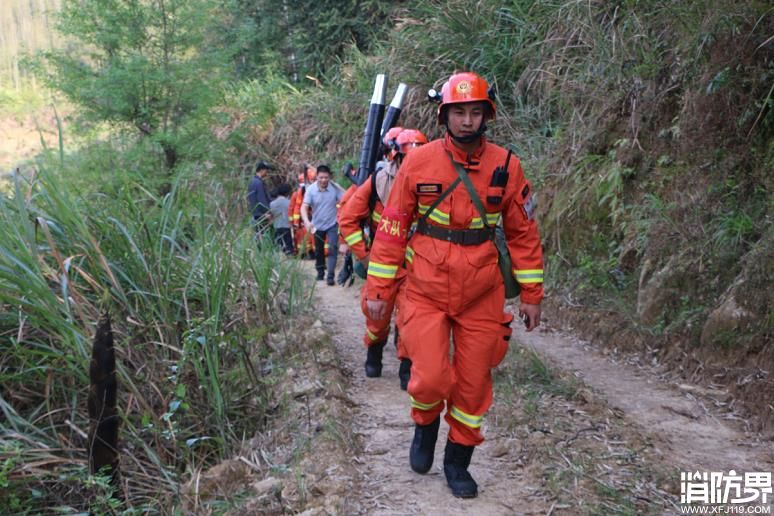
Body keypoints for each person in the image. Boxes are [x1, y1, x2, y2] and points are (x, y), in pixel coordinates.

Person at [365, 72, 544, 499]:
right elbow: (391, 230)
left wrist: (533, 294)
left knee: (473, 385)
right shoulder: (418, 161)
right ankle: (424, 429)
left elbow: (523, 234)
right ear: (445, 115)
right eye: (459, 112)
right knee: (427, 379)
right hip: (425, 288)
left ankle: (458, 460)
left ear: (487, 115)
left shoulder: (507, 166)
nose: (467, 120)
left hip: (482, 292)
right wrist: (377, 292)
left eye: (475, 111)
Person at [339, 128, 428, 383]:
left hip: (416, 267)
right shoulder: (378, 183)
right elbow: (347, 219)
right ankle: (374, 351)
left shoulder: (434, 187)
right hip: (383, 263)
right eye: (407, 159)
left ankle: (407, 368)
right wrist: (365, 256)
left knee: (411, 319)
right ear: (396, 158)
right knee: (377, 316)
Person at [301, 164, 344, 285]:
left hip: (332, 224)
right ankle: (320, 272)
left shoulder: (334, 189)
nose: (324, 180)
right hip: (317, 225)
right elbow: (304, 207)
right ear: (317, 177)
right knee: (319, 250)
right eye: (321, 178)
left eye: (326, 177)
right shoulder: (311, 190)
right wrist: (307, 221)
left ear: (329, 177)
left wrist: (341, 188)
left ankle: (330, 275)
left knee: (332, 248)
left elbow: (346, 199)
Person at [247, 161, 274, 239]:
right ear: (261, 170)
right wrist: (267, 213)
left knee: (258, 235)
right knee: (266, 235)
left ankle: (260, 250)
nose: (267, 172)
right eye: (266, 170)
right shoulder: (259, 183)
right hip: (262, 215)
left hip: (255, 213)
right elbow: (261, 199)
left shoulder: (252, 182)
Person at [270, 184, 294, 255]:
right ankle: (289, 254)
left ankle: (280, 254)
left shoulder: (272, 204)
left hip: (276, 226)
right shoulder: (289, 203)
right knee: (288, 243)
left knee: (279, 242)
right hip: (287, 225)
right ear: (287, 193)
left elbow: (271, 215)